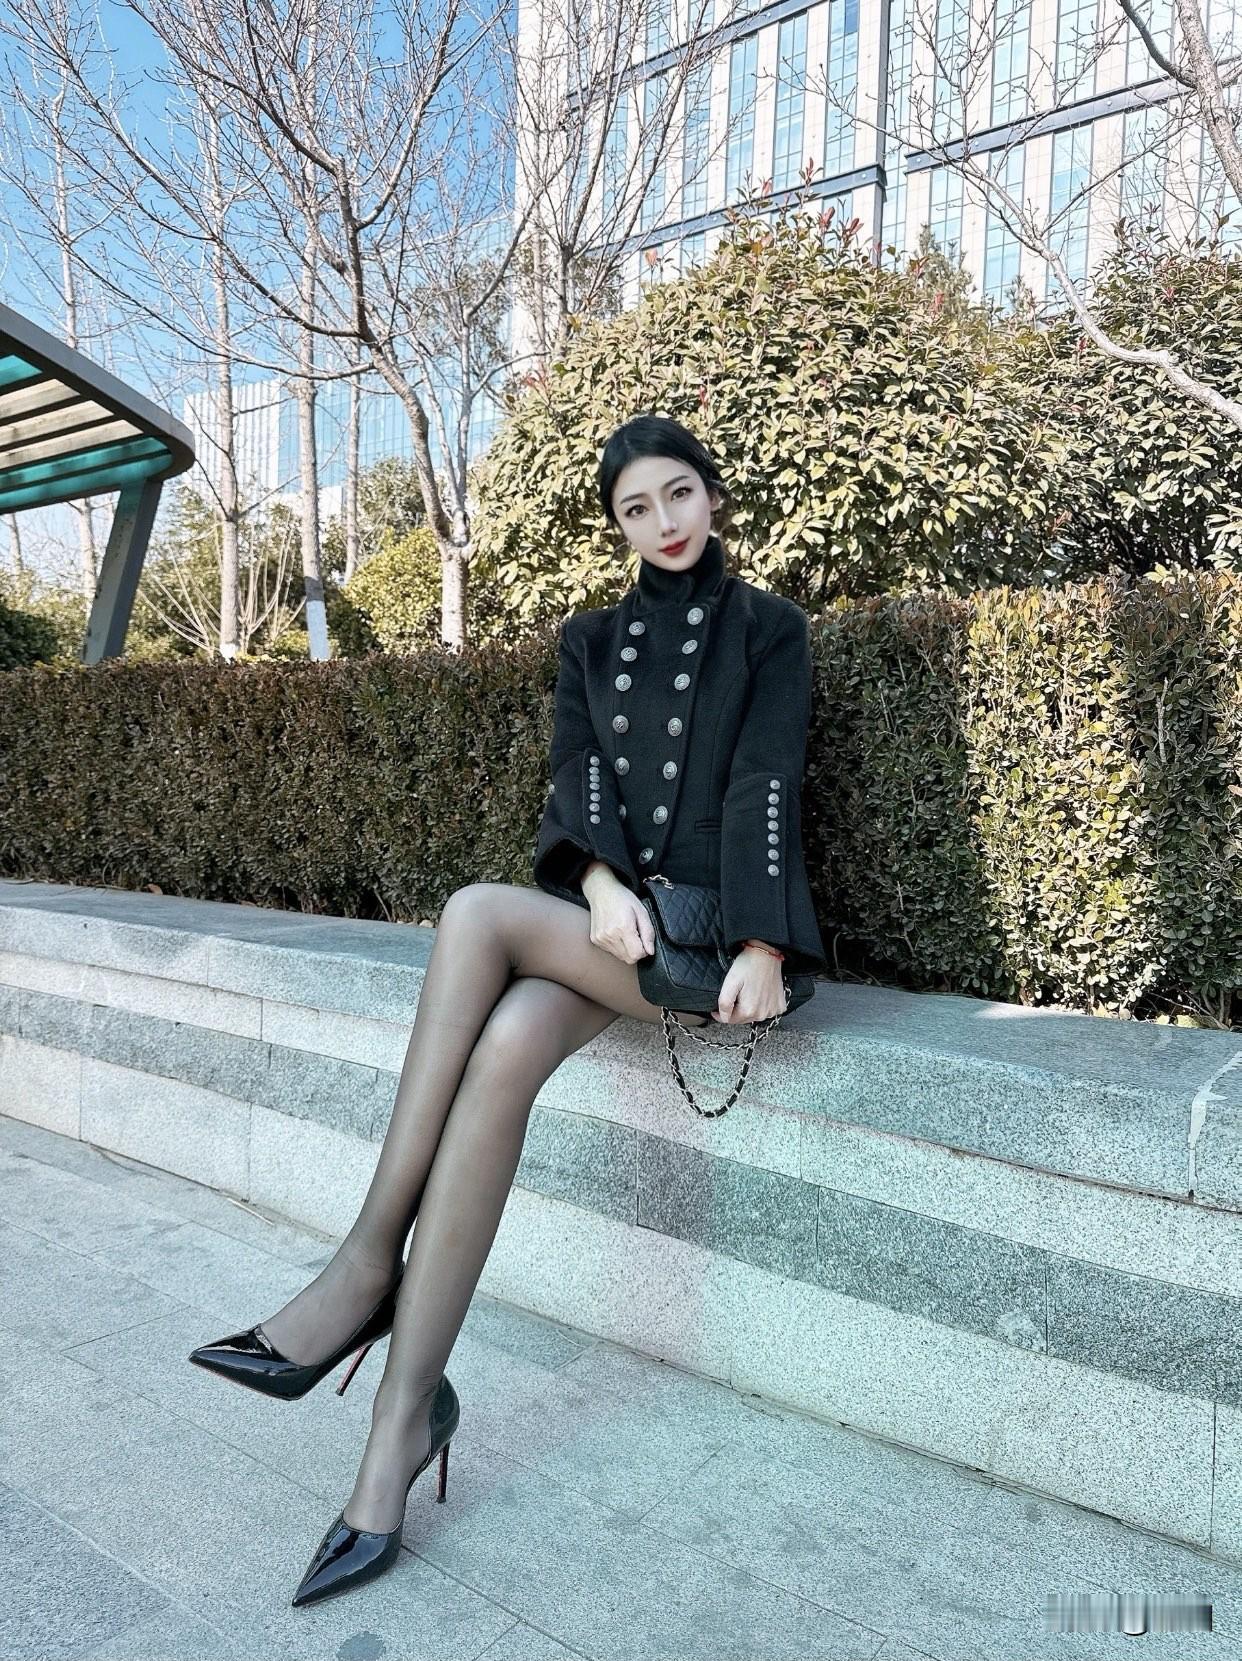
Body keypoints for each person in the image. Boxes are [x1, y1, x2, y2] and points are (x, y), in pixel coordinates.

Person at [187, 413, 827, 1608]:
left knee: (477, 912)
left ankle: (363, 1265)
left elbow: (766, 782)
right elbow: (577, 780)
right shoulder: (591, 639)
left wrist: (762, 943)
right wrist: (598, 884)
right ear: (617, 524)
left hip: (711, 943)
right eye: (636, 508)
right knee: (510, 1040)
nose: (664, 522)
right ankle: (402, 1418)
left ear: (712, 494)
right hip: (614, 934)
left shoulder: (769, 627)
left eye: (679, 494)